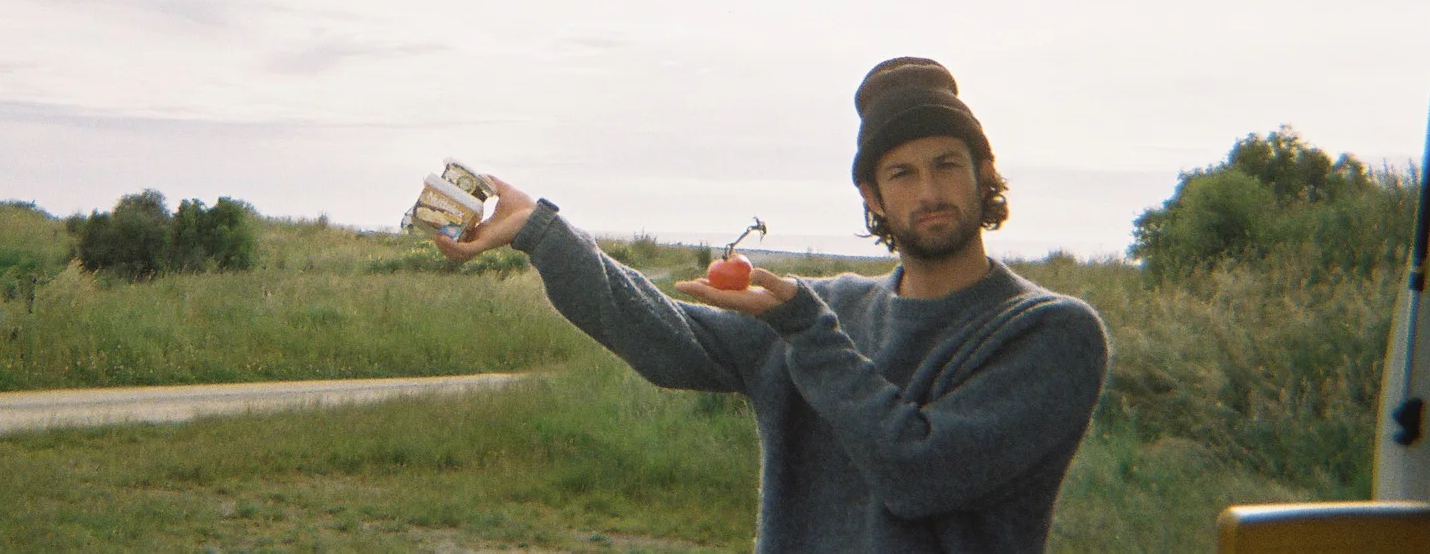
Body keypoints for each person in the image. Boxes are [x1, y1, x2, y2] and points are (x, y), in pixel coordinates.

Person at [435, 57, 1109, 554]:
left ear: (983, 174)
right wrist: (540, 234)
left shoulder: (1048, 332)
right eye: (901, 173)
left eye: (947, 164)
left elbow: (919, 475)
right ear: (873, 198)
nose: (929, 190)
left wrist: (806, 330)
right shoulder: (833, 308)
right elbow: (665, 338)